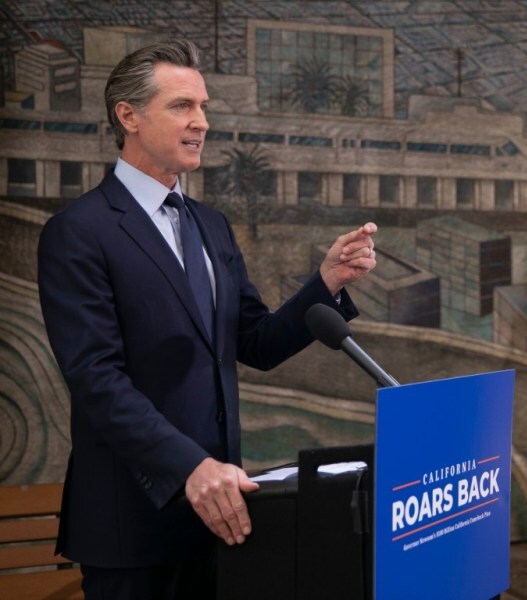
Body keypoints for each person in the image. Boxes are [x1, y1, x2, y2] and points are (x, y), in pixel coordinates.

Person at [37, 39, 377, 599]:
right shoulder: (78, 231)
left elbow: (254, 340)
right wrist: (190, 467)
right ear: (129, 117)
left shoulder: (211, 226)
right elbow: (95, 378)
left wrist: (327, 283)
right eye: (182, 106)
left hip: (224, 513)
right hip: (135, 523)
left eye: (203, 106)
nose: (202, 122)